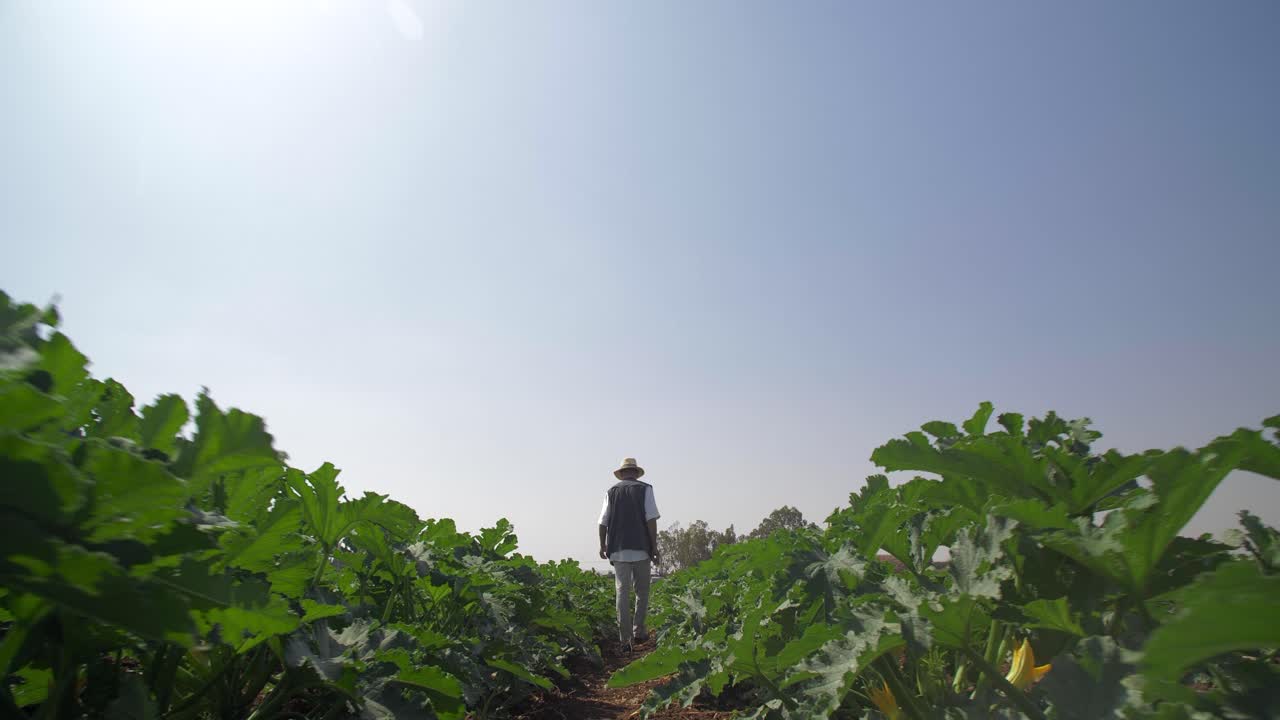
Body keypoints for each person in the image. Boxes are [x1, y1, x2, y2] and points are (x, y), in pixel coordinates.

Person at [597, 457, 661, 650]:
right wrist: (654, 546)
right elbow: (651, 520)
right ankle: (638, 631)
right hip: (641, 548)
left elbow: (602, 522)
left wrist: (602, 545)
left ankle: (625, 640)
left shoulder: (611, 492)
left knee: (621, 593)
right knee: (642, 592)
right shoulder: (645, 489)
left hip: (618, 550)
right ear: (635, 472)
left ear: (622, 473)